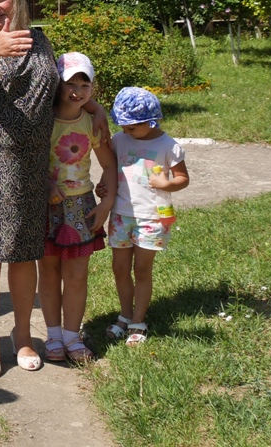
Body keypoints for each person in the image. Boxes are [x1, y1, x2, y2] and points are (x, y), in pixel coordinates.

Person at [0, 0, 107, 379]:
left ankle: (22, 336)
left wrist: (92, 108)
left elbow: (62, 88)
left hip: (32, 162)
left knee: (25, 252)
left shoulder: (39, 39)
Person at [38, 52, 117, 364]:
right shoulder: (42, 121)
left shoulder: (92, 123)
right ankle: (53, 335)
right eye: (70, 82)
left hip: (81, 208)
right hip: (45, 206)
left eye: (85, 83)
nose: (78, 90)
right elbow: (28, 160)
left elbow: (109, 166)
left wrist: (106, 204)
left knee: (76, 276)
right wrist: (46, 184)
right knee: (47, 272)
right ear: (57, 85)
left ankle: (72, 336)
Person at [103, 87, 189, 347]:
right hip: (121, 214)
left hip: (151, 217)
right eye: (123, 127)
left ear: (151, 122)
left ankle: (138, 319)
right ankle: (124, 314)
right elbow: (110, 169)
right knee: (119, 268)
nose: (126, 131)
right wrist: (103, 185)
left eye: (132, 127)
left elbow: (183, 179)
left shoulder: (169, 146)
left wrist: (166, 184)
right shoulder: (120, 140)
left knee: (142, 269)